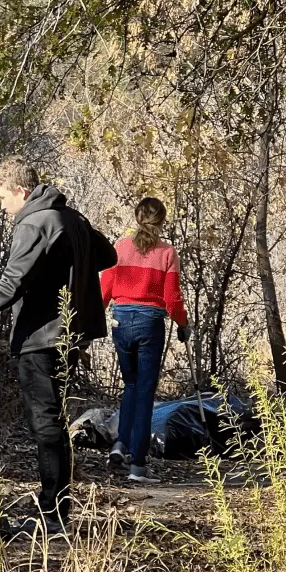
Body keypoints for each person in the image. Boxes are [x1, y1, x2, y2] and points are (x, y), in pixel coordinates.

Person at [0, 156, 117, 533]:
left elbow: (11, 283)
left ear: (21, 191)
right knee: (55, 422)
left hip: (39, 335)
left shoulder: (34, 221)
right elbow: (107, 255)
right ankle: (57, 508)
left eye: (2, 198)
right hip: (69, 335)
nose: (2, 207)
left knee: (46, 424)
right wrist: (65, 267)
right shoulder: (71, 218)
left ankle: (51, 514)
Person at [100, 197, 190, 484]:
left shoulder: (120, 248)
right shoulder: (167, 253)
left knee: (131, 384)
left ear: (137, 217)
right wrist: (183, 324)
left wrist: (88, 322)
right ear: (162, 220)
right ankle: (137, 466)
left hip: (121, 321)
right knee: (145, 392)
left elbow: (105, 288)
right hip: (150, 323)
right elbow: (172, 298)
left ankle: (120, 444)